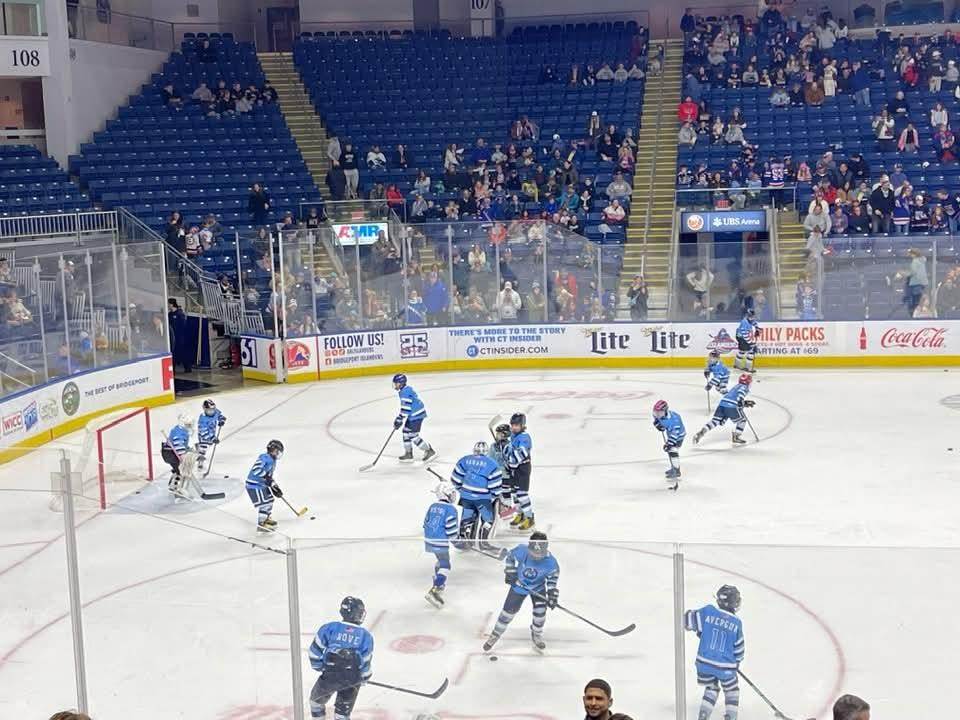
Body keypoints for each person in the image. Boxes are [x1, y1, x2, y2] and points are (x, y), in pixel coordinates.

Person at [483, 531, 559, 653]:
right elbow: (510, 556)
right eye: (533, 553)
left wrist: (552, 595)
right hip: (519, 587)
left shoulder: (551, 563)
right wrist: (510, 572)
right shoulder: (521, 550)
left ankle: (537, 633)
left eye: (539, 554)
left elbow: (552, 578)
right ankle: (495, 635)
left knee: (540, 613)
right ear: (529, 548)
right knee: (507, 613)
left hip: (538, 588)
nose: (536, 557)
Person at [684, 586, 745, 720]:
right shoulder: (736, 623)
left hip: (703, 665)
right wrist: (737, 662)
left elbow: (687, 620)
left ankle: (703, 715)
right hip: (725, 668)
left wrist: (701, 630)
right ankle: (731, 717)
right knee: (732, 690)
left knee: (711, 687)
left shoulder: (708, 612)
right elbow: (739, 649)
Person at [308, 597, 374, 720]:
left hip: (330, 677)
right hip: (351, 680)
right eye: (360, 612)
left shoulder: (329, 628)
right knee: (342, 714)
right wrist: (364, 678)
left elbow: (314, 652)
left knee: (316, 702)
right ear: (355, 613)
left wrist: (320, 666)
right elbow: (365, 662)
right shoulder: (365, 636)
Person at [451, 440, 503, 550]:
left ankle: (465, 540)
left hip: (466, 497)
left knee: (467, 517)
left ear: (474, 450)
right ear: (487, 452)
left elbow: (455, 478)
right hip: (483, 499)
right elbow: (495, 485)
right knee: (487, 520)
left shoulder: (464, 460)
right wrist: (493, 496)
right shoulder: (492, 464)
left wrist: (462, 490)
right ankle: (483, 543)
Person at [423, 482, 460, 607]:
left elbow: (425, 523)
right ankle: (435, 590)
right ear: (447, 494)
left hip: (429, 540)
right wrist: (457, 541)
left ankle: (438, 583)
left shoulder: (432, 506)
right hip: (440, 541)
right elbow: (451, 530)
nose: (454, 495)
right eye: (452, 493)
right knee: (445, 564)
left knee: (440, 560)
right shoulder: (451, 509)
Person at [694, 373, 755, 446]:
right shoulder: (745, 387)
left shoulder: (736, 386)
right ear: (748, 381)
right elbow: (740, 395)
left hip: (722, 404)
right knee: (742, 421)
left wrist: (744, 403)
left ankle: (702, 432)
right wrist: (742, 402)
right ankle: (736, 436)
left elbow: (733, 397)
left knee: (715, 421)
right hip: (731, 406)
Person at [393, 373, 437, 463]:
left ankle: (429, 450)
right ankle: (408, 454)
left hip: (416, 415)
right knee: (405, 432)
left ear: (401, 383)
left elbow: (406, 408)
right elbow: (406, 408)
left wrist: (399, 418)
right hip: (413, 415)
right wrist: (400, 418)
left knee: (412, 435)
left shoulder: (405, 392)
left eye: (396, 383)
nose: (395, 385)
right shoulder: (405, 389)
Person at [246, 439, 284, 531]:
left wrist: (274, 486)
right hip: (254, 485)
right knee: (265, 503)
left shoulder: (273, 461)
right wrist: (267, 478)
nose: (278, 453)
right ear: (273, 450)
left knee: (270, 499)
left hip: (261, 485)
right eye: (277, 451)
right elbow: (256, 469)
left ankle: (266, 518)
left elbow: (269, 476)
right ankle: (261, 524)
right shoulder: (264, 457)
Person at [505, 412, 534, 529]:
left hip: (523, 468)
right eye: (512, 425)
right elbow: (508, 448)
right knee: (514, 493)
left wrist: (510, 461)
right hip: (514, 469)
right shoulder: (512, 435)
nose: (514, 427)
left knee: (522, 494)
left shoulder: (525, 437)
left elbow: (521, 453)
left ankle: (529, 517)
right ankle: (520, 514)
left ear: (522, 425)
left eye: (516, 425)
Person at [652, 399, 686, 489]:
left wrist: (669, 444)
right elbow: (657, 420)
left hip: (679, 436)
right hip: (670, 434)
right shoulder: (660, 415)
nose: (657, 415)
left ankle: (676, 470)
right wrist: (658, 425)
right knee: (671, 451)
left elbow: (675, 435)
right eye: (656, 412)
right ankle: (674, 468)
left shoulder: (674, 420)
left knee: (673, 450)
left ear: (665, 411)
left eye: (659, 413)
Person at [161, 415, 193, 494]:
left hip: (171, 452)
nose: (189, 427)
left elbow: (182, 444)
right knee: (180, 470)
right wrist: (182, 454)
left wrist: (187, 449)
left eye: (190, 425)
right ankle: (175, 485)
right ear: (182, 424)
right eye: (188, 425)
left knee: (178, 469)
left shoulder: (181, 430)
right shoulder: (179, 432)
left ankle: (175, 482)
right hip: (170, 453)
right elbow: (178, 444)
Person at [196, 398, 226, 471]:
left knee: (209, 444)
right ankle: (200, 460)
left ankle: (198, 448)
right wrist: (212, 438)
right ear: (205, 409)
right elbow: (203, 432)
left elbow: (219, 415)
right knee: (204, 447)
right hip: (203, 436)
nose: (211, 412)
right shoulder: (202, 418)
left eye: (212, 410)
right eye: (209, 410)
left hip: (212, 433)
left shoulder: (215, 412)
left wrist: (221, 420)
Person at [167, 297, 192, 373]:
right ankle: (173, 369)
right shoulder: (169, 314)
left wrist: (182, 337)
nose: (168, 306)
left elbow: (184, 326)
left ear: (171, 304)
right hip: (173, 337)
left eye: (168, 304)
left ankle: (188, 368)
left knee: (183, 353)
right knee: (173, 353)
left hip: (180, 337)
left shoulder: (180, 314)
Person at [734, 307, 758, 373]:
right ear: (747, 315)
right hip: (741, 338)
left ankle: (737, 364)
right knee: (750, 351)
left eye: (752, 316)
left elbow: (754, 323)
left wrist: (757, 328)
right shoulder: (744, 322)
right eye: (750, 315)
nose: (752, 317)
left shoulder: (749, 320)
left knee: (742, 351)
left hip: (740, 337)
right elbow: (744, 334)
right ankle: (748, 368)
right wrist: (750, 343)